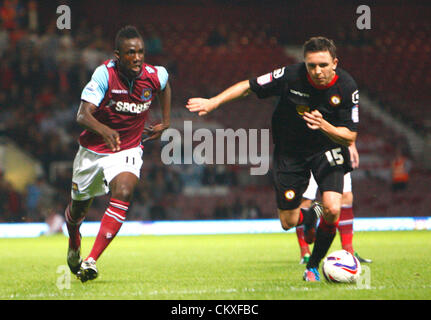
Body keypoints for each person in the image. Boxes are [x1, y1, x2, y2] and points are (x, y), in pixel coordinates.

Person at [186, 36, 359, 282]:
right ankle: (310, 216)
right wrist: (214, 102)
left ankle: (312, 266)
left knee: (333, 208)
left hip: (327, 149)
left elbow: (350, 133)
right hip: (290, 153)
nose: (317, 71)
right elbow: (249, 86)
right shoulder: (290, 76)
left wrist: (324, 126)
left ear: (334, 63)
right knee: (288, 221)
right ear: (305, 63)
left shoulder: (347, 87)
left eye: (323, 65)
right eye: (312, 65)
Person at [64, 25, 171, 282]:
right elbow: (82, 114)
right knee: (78, 211)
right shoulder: (104, 75)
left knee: (124, 191)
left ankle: (91, 261)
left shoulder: (156, 75)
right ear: (117, 55)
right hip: (92, 150)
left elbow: (165, 86)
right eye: (130, 52)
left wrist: (166, 121)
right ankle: (74, 238)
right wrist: (104, 130)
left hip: (128, 148)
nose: (137, 58)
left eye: (141, 52)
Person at [296, 143, 372, 264]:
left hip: (335, 148)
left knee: (346, 195)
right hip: (309, 148)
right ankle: (305, 252)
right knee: (305, 200)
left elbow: (350, 124)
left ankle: (348, 250)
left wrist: (351, 145)